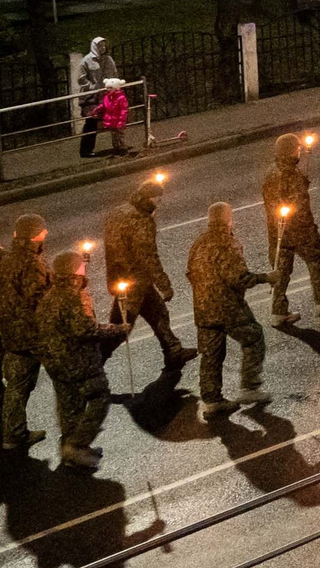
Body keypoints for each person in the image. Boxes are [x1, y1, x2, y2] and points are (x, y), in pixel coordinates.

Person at [35, 248, 127, 468]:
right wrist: (117, 329)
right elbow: (85, 330)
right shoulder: (74, 297)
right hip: (79, 362)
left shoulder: (50, 295)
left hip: (56, 363)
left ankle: (71, 452)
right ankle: (77, 445)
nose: (84, 267)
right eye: (81, 265)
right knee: (99, 398)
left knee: (70, 406)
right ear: (75, 271)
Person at [103, 175, 193, 373]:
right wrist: (165, 285)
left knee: (159, 313)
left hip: (123, 278)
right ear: (148, 198)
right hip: (134, 282)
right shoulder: (141, 220)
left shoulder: (119, 211)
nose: (158, 203)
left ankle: (173, 350)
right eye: (157, 200)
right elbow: (148, 257)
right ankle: (93, 363)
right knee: (120, 327)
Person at [186, 202, 271, 411]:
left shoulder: (199, 242)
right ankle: (250, 387)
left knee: (211, 355)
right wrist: (267, 278)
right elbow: (239, 278)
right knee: (253, 337)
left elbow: (190, 273)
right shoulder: (227, 243)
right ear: (228, 219)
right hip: (228, 308)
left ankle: (212, 400)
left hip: (203, 309)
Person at [262, 133, 320, 321]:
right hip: (299, 230)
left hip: (277, 229)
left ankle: (278, 311)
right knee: (318, 260)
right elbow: (300, 206)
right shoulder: (291, 174)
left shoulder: (272, 171)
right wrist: (310, 228)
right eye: (298, 148)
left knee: (281, 270)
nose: (300, 150)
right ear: (292, 150)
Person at [2, 216, 53, 450]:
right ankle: (14, 435)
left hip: (10, 332)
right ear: (36, 236)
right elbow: (39, 300)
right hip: (31, 334)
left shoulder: (7, 260)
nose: (46, 233)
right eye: (43, 231)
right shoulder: (32, 263)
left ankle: (12, 432)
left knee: (16, 384)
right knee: (66, 377)